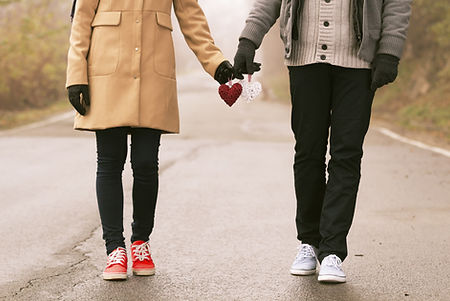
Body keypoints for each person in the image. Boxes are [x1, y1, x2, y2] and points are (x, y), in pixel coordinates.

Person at [234, 0, 412, 283]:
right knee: (308, 153)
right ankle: (309, 241)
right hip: (305, 61)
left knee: (347, 154)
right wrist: (248, 39)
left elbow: (396, 4)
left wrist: (389, 50)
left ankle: (332, 251)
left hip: (359, 64)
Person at [66, 0, 236, 281]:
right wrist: (75, 75)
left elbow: (191, 16)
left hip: (152, 75)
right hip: (106, 73)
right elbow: (81, 20)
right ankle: (114, 250)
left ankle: (140, 243)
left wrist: (215, 63)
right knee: (109, 162)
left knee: (145, 164)